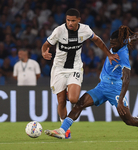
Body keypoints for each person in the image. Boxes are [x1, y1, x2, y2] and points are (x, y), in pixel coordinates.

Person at [44, 20, 138, 139]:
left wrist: (120, 100)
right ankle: (62, 130)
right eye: (111, 43)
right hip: (102, 86)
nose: (111, 46)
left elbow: (127, 78)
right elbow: (134, 37)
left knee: (129, 120)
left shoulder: (123, 55)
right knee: (79, 104)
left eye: (114, 44)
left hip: (115, 89)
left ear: (120, 43)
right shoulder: (123, 42)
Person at [41, 8, 119, 139]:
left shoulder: (85, 30)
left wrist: (109, 54)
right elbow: (46, 45)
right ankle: (65, 130)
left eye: (73, 20)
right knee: (61, 102)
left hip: (75, 68)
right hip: (59, 69)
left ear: (78, 20)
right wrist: (44, 52)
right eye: (68, 20)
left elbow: (98, 40)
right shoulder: (59, 31)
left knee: (73, 99)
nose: (70, 23)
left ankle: (68, 92)